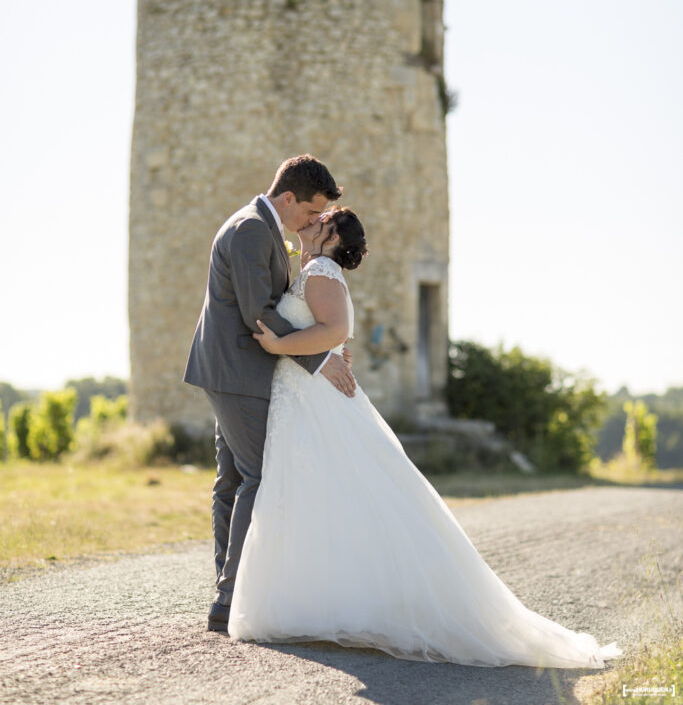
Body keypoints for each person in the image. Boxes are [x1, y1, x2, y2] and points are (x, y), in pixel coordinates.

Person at [228, 205, 623, 669]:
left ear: (333, 238)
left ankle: (326, 604)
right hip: (304, 394)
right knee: (319, 493)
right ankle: (321, 600)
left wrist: (278, 345)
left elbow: (335, 330)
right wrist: (315, 348)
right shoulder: (314, 268)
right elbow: (326, 333)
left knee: (331, 488)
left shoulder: (319, 268)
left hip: (313, 395)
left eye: (322, 221)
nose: (312, 222)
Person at [183, 155, 356, 633]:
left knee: (232, 481)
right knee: (257, 478)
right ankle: (230, 595)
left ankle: (229, 588)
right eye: (310, 211)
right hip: (239, 370)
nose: (313, 221)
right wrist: (321, 358)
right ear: (287, 198)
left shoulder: (263, 228)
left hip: (238, 369)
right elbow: (257, 310)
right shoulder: (252, 230)